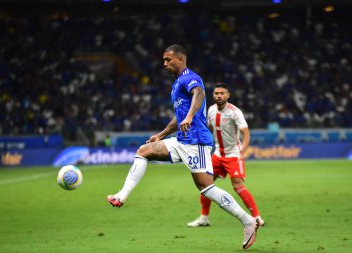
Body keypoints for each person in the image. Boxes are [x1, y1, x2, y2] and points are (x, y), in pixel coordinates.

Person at [107, 45, 260, 250]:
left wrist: (189, 117)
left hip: (196, 142)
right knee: (143, 151)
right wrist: (160, 135)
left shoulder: (190, 78)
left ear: (180, 59)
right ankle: (122, 196)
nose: (164, 63)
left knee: (206, 188)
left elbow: (200, 94)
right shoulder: (177, 84)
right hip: (182, 140)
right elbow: (178, 116)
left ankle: (248, 221)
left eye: (168, 59)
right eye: (163, 60)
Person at [187, 83, 265, 228]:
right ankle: (204, 218)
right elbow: (209, 128)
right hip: (217, 154)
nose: (219, 96)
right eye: (216, 93)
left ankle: (257, 218)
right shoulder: (210, 110)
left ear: (228, 95)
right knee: (205, 184)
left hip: (233, 154)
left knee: (238, 186)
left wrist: (242, 150)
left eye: (222, 93)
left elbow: (246, 133)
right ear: (213, 95)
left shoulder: (235, 112)